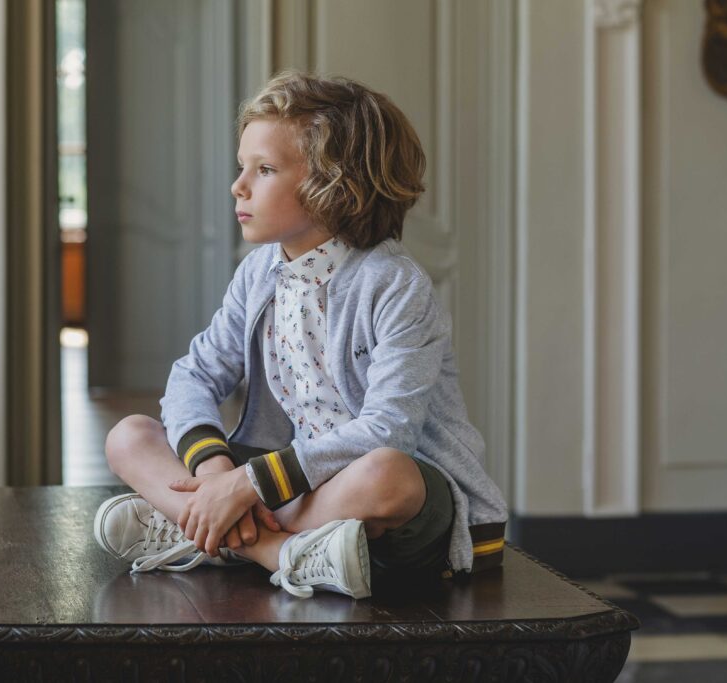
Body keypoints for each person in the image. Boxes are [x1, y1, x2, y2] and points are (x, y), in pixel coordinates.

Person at [93, 71, 508, 600]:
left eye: (263, 169)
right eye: (242, 166)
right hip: (293, 492)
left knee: (388, 473)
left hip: (396, 510)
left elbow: (389, 431)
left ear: (335, 185)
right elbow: (194, 374)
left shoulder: (395, 284)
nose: (237, 186)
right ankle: (278, 550)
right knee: (128, 435)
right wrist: (216, 473)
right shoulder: (258, 270)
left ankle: (210, 535)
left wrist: (244, 487)